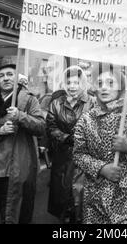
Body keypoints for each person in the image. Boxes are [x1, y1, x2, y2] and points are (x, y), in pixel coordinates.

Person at [73, 66, 127, 224]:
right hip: (95, 200)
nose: (104, 87)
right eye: (100, 82)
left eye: (110, 82)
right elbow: (78, 155)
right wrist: (101, 168)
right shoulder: (86, 119)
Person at [0, 64, 45, 224]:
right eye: (1, 75)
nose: (6, 78)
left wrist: (20, 116)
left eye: (10, 74)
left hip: (17, 166)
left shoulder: (29, 99)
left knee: (14, 212)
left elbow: (40, 126)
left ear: (17, 77)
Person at [46, 66, 94, 223]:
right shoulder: (56, 103)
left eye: (76, 82)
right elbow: (51, 126)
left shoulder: (92, 102)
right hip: (63, 157)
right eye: (69, 82)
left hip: (86, 158)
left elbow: (100, 127)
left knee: (82, 198)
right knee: (63, 196)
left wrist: (84, 138)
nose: (73, 86)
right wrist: (65, 137)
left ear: (83, 83)